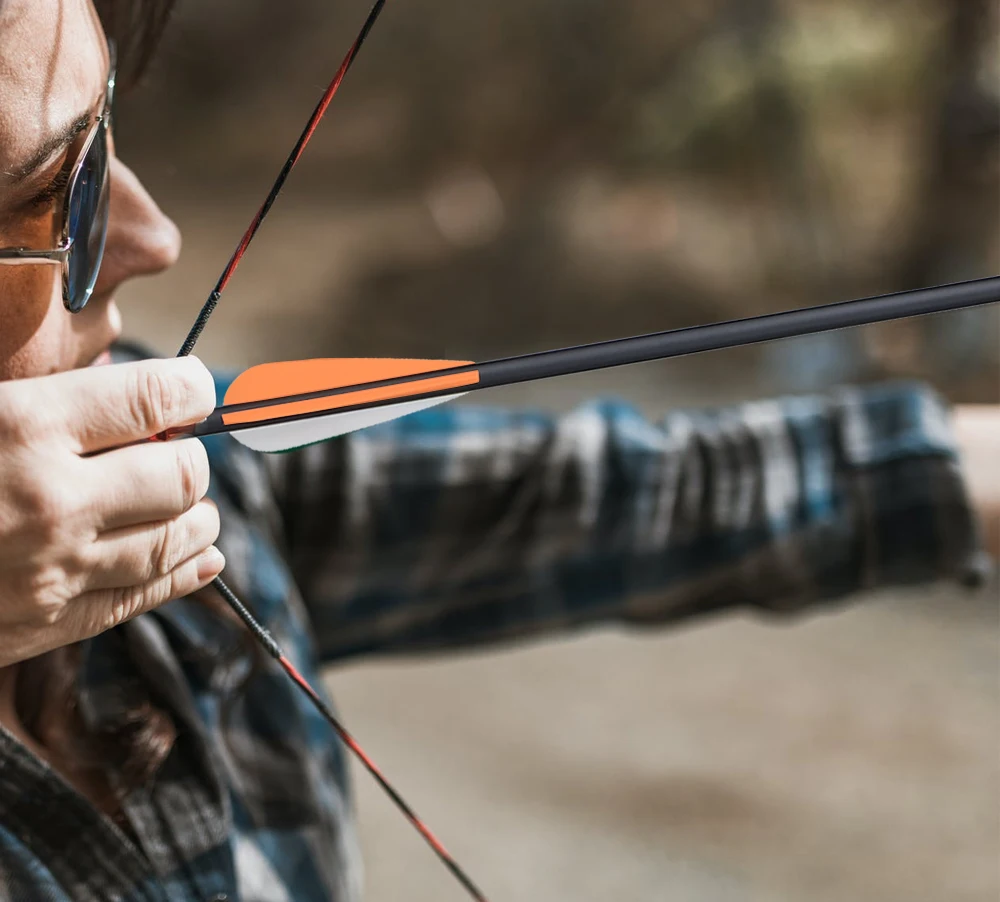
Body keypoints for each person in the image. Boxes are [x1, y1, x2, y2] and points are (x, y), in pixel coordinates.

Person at [0, 2, 995, 901]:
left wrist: (953, 465)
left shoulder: (173, 473)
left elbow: (599, 492)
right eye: (62, 191)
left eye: (109, 130)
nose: (154, 234)